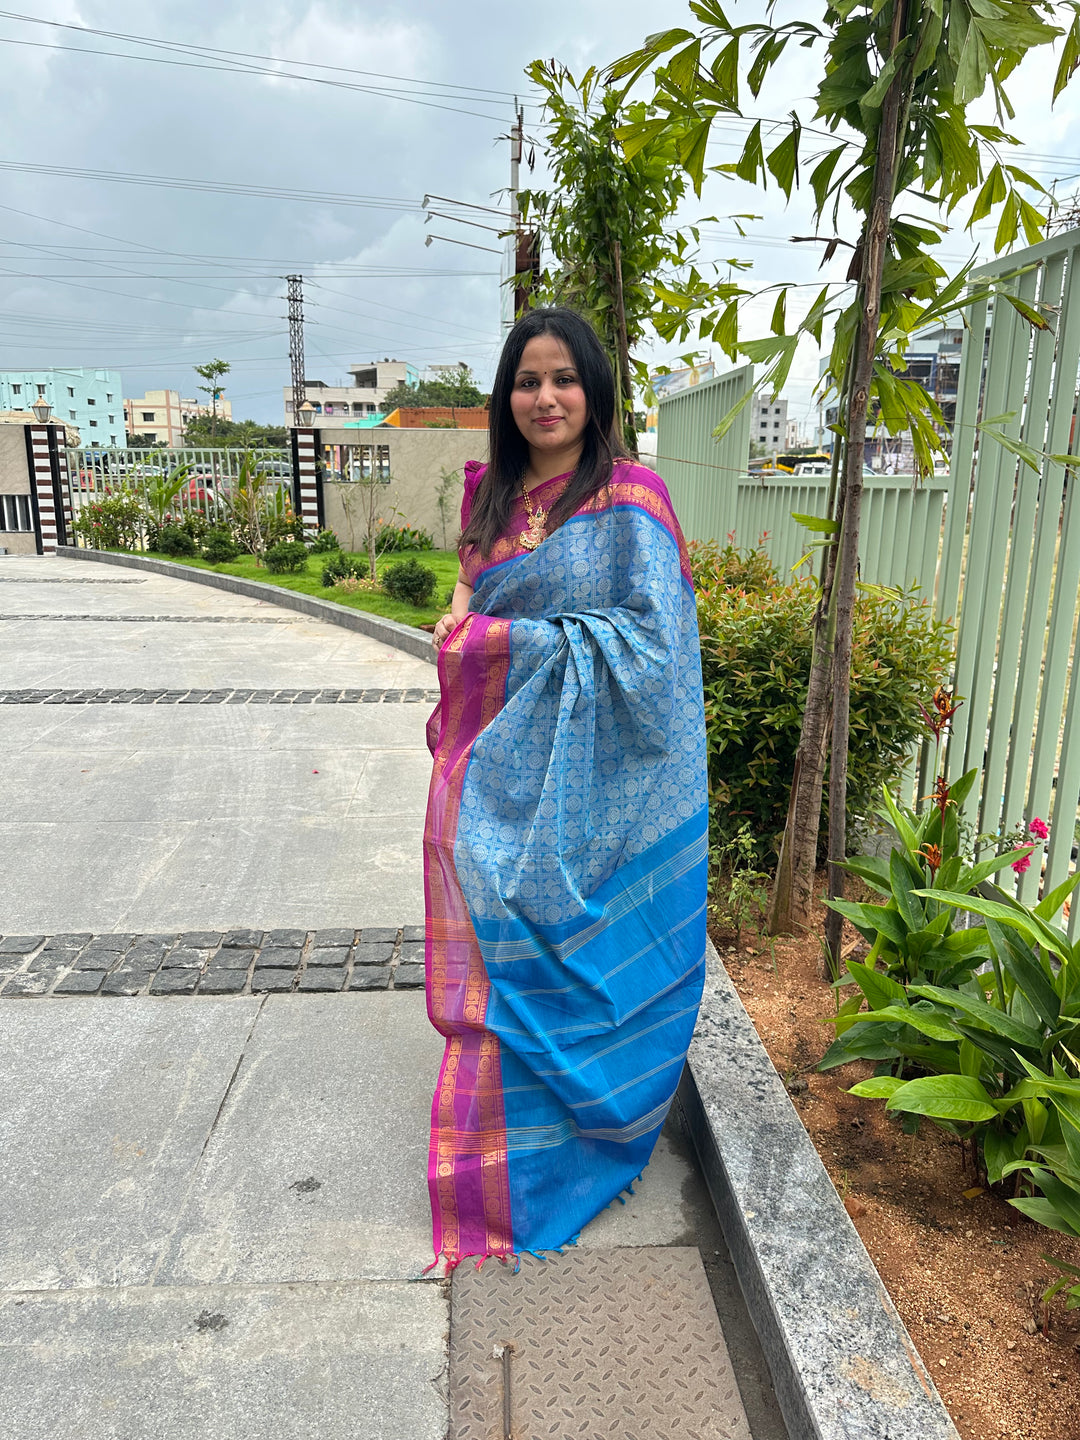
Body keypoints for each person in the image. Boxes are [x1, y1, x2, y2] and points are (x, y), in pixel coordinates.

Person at [423, 306, 707, 1270]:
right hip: (503, 772)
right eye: (526, 381)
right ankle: (511, 1142)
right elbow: (463, 612)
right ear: (506, 398)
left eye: (565, 379)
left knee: (593, 951)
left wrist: (514, 645)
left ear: (595, 389)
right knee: (503, 940)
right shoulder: (491, 501)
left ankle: (599, 1129)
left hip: (607, 787)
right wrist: (463, 636)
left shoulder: (633, 497)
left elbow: (659, 654)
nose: (545, 398)